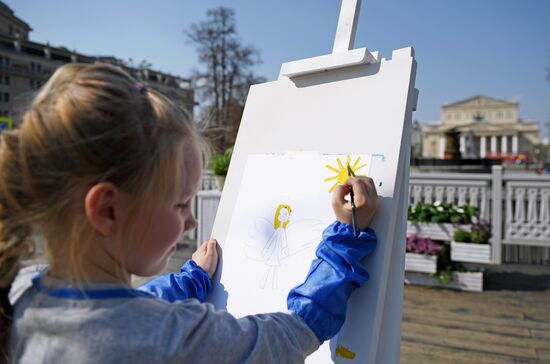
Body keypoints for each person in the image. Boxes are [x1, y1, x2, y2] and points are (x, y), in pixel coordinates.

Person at [0, 63, 378, 363]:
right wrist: (346, 239)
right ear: (108, 210)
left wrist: (191, 279)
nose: (192, 221)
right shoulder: (176, 339)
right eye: (181, 205)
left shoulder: (22, 297)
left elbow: (131, 307)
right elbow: (291, 336)